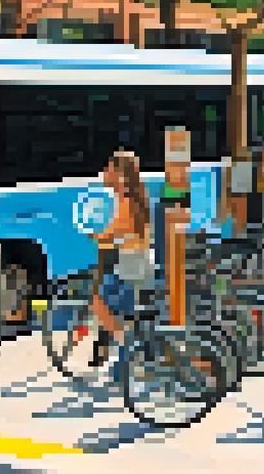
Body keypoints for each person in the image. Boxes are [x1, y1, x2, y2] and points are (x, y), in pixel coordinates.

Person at [87, 150, 152, 369]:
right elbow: (126, 234)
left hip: (129, 267)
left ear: (120, 173)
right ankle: (122, 353)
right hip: (137, 264)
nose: (106, 172)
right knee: (117, 312)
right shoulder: (137, 198)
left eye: (110, 169)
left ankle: (127, 349)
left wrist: (93, 235)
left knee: (99, 304)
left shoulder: (125, 202)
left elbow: (109, 235)